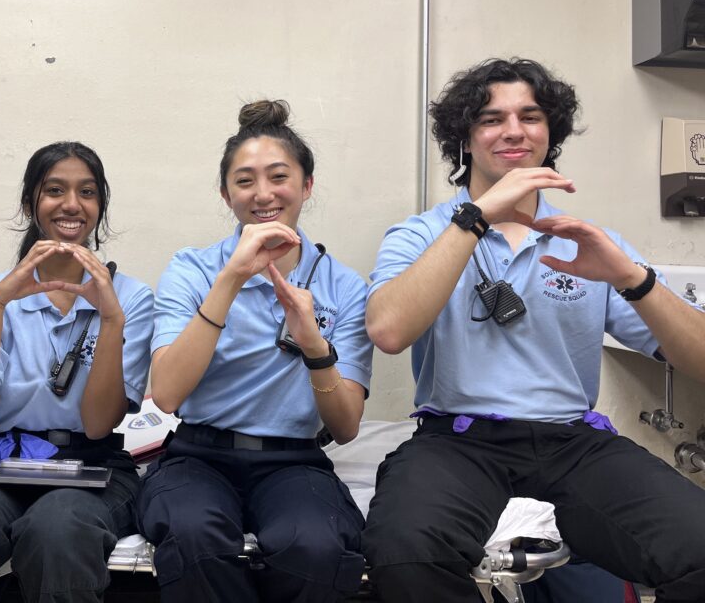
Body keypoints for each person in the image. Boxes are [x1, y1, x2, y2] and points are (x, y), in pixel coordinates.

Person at [361, 57, 705, 602]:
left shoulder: (588, 243)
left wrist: (630, 276)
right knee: (406, 553)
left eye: (531, 115)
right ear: (465, 140)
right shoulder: (418, 235)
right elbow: (388, 331)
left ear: (551, 134)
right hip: (457, 440)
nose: (514, 130)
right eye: (491, 118)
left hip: (571, 441)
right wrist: (474, 219)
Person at [137, 100, 373, 602]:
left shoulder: (345, 287)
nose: (263, 194)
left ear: (306, 186)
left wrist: (314, 342)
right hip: (198, 455)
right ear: (226, 194)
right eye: (245, 181)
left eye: (279, 177)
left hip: (295, 461)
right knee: (193, 536)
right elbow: (167, 394)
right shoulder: (194, 270)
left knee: (316, 545)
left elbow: (347, 426)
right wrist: (231, 280)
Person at [0, 141, 153, 603]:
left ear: (100, 206)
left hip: (91, 462)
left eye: (88, 192)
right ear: (29, 203)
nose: (72, 204)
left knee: (57, 528)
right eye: (55, 190)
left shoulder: (130, 300)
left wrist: (111, 320)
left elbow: (99, 423)